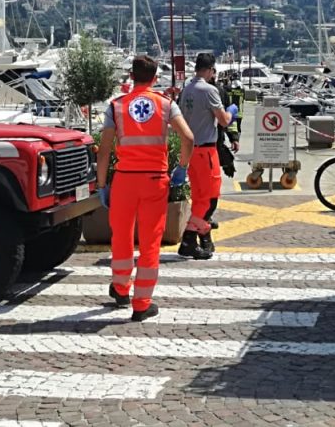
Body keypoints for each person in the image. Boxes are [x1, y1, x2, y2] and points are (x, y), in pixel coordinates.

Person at [95, 55, 194, 322]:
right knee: (150, 242)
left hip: (125, 180)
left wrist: (102, 185)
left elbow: (104, 151)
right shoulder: (165, 104)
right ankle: (142, 304)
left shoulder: (116, 106)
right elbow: (188, 137)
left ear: (131, 76)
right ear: (154, 78)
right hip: (155, 180)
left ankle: (120, 289)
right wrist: (182, 168)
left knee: (122, 236)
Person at [177, 53, 237, 260]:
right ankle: (188, 237)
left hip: (191, 151)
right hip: (206, 150)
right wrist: (232, 111)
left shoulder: (186, 90)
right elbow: (223, 120)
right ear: (210, 70)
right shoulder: (210, 90)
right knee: (209, 199)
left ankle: (203, 239)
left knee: (199, 196)